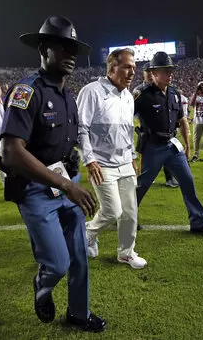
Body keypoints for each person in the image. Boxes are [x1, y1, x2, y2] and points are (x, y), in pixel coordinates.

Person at [0, 15, 105, 332]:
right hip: (35, 189)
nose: (71, 55)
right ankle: (42, 286)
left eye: (74, 48)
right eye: (63, 47)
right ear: (44, 49)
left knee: (79, 255)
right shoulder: (26, 91)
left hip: (64, 184)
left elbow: (65, 146)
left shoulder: (68, 96)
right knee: (57, 264)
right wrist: (64, 184)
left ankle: (78, 312)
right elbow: (12, 152)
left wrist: (73, 179)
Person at [134, 51, 203, 237]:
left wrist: (187, 145)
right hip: (153, 146)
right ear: (154, 73)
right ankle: (127, 218)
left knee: (187, 181)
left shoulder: (174, 93)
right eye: (166, 71)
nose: (170, 74)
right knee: (142, 185)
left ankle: (198, 223)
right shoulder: (142, 95)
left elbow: (181, 119)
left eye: (171, 70)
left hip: (172, 145)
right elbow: (125, 120)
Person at [77, 48, 146, 269]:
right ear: (111, 67)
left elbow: (127, 131)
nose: (131, 72)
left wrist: (132, 156)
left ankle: (126, 253)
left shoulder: (128, 96)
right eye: (127, 67)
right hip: (101, 163)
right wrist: (89, 160)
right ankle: (88, 232)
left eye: (134, 68)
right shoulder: (91, 92)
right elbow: (81, 129)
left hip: (125, 162)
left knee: (130, 212)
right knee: (112, 211)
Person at [133, 62, 178, 188]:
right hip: (147, 130)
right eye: (146, 72)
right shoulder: (139, 91)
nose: (149, 75)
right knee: (147, 156)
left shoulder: (164, 88)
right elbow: (134, 111)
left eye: (150, 72)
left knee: (168, 154)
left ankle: (170, 178)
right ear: (144, 74)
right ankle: (146, 178)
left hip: (165, 129)